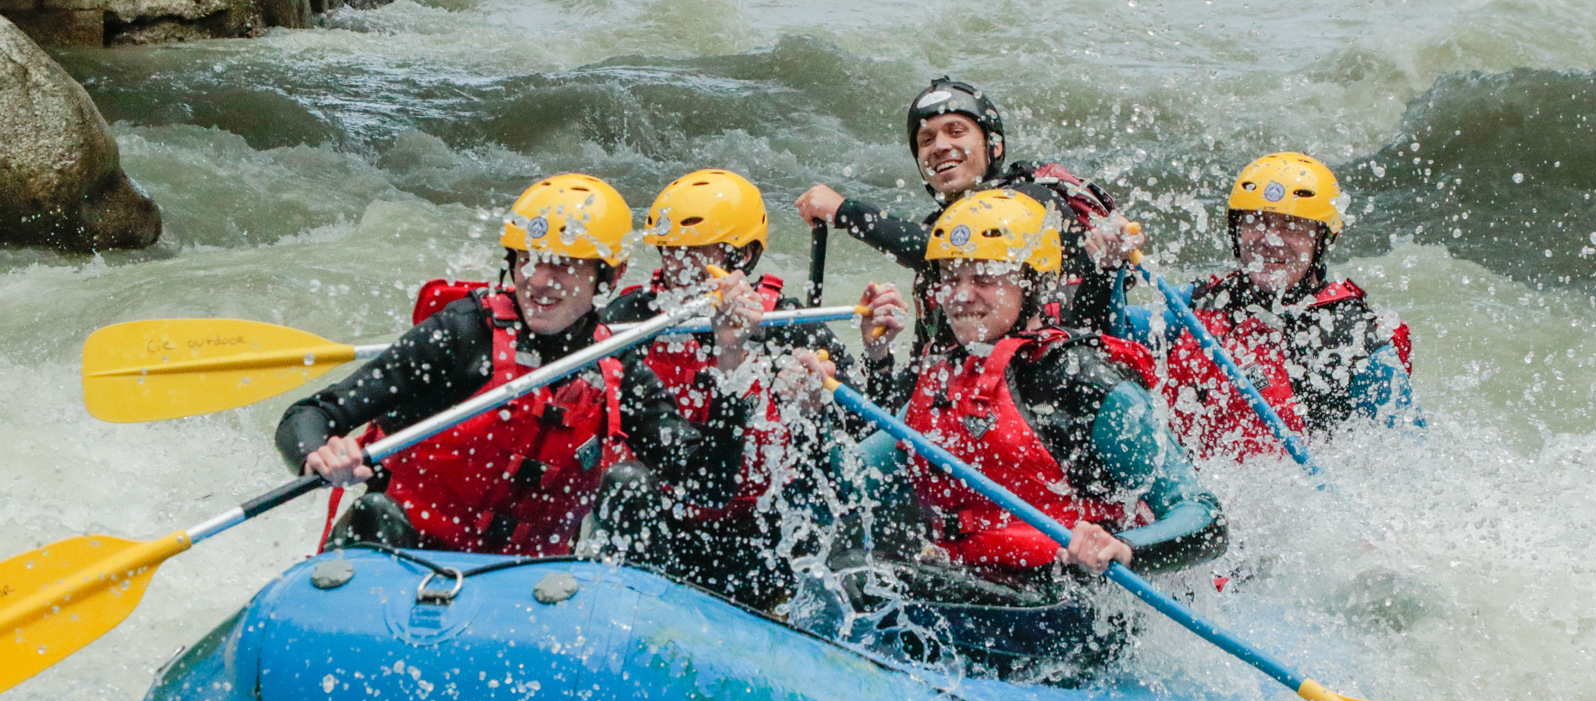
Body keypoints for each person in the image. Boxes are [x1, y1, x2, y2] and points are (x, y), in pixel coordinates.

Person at [788, 189, 1226, 675]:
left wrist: (1123, 546)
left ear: (1034, 283)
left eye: (984, 278)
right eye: (950, 277)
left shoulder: (1086, 382)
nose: (960, 294)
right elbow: (851, 488)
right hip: (980, 588)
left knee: (856, 581)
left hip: (1072, 608)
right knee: (841, 550)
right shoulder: (941, 380)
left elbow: (1205, 518)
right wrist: (814, 413)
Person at [274, 173, 763, 557]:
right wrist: (318, 453)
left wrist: (730, 358)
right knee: (373, 513)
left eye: (565, 264)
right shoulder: (460, 335)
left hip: (530, 592)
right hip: (410, 560)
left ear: (609, 275)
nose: (539, 280)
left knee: (631, 485)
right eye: (529, 259)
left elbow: (710, 483)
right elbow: (310, 414)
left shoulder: (615, 364)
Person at [596, 168, 861, 606]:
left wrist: (864, 365)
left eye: (698, 254)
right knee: (625, 484)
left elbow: (861, 423)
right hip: (664, 519)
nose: (679, 268)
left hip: (759, 533)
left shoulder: (787, 327)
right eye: (671, 252)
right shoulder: (630, 318)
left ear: (745, 257)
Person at [1111, 153, 1422, 462]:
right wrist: (1107, 269)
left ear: (1322, 241)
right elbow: (1109, 332)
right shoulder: (1199, 303)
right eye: (1256, 222)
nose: (1270, 239)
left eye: (1292, 226)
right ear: (1236, 232)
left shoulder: (1357, 342)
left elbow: (1406, 462)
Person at [794, 76, 1142, 338]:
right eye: (926, 140)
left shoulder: (1033, 200)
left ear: (995, 147)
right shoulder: (940, 242)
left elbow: (942, 246)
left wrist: (846, 212)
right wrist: (878, 357)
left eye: (956, 131)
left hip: (1054, 379)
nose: (940, 146)